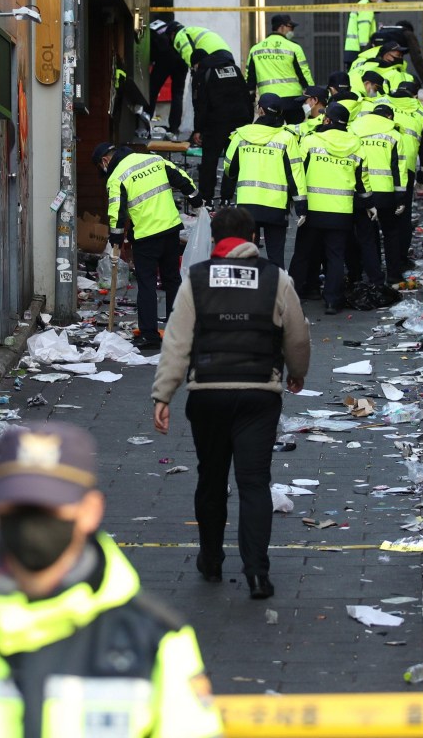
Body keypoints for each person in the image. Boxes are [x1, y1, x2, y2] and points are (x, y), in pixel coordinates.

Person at [0, 422, 223, 738]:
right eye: (22, 507)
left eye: (49, 508)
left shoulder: (156, 640)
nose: (33, 522)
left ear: (91, 510)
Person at [151, 207, 311, 600]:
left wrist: (163, 393)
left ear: (214, 240)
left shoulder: (196, 279)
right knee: (254, 482)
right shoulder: (277, 278)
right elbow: (298, 334)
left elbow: (176, 340)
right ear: (252, 237)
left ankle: (210, 560)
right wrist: (296, 371)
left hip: (207, 393)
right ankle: (257, 573)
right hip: (259, 394)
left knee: (211, 479)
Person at [93, 141, 203, 350]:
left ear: (105, 161)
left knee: (147, 284)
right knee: (172, 280)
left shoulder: (116, 177)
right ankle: (178, 330)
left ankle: (150, 335)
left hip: (146, 237)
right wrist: (196, 199)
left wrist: (116, 239)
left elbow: (116, 211)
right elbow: (181, 178)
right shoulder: (153, 159)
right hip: (170, 230)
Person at [288, 102, 368, 315]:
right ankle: (333, 301)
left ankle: (291, 297)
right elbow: (363, 180)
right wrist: (368, 203)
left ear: (327, 120)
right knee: (335, 257)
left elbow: (298, 173)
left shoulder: (311, 141)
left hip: (313, 209)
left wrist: (299, 203)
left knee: (303, 253)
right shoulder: (356, 144)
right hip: (341, 211)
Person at [223, 93, 307, 268]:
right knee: (276, 258)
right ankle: (276, 293)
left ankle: (250, 293)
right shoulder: (287, 138)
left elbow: (229, 169)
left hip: (247, 205)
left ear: (259, 110)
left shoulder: (241, 135)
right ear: (280, 113)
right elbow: (295, 173)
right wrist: (301, 206)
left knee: (246, 257)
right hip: (276, 207)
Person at [350, 103, 408, 296]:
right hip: (386, 192)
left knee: (367, 236)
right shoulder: (394, 135)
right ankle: (393, 276)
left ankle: (374, 278)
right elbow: (398, 169)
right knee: (391, 233)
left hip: (362, 192)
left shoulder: (355, 130)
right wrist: (401, 197)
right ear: (389, 116)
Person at [189, 48, 253, 207]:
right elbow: (246, 97)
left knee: (209, 162)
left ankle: (207, 198)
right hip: (238, 123)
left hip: (215, 124)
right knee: (232, 162)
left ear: (198, 63)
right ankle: (226, 197)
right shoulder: (234, 69)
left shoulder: (203, 73)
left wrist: (198, 129)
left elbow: (200, 104)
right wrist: (248, 122)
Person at [387, 79, 423, 268]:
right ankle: (399, 260)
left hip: (377, 169)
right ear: (415, 96)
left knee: (380, 219)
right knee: (403, 217)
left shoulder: (382, 105)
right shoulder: (422, 113)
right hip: (405, 171)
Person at [246, 13, 314, 99]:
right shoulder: (294, 47)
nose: (292, 31)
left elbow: (250, 79)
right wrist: (313, 93)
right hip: (292, 99)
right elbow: (304, 73)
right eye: (291, 28)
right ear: (282, 27)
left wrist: (250, 98)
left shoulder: (255, 49)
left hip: (267, 99)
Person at [149, 19, 189, 136]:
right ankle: (174, 128)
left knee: (153, 89)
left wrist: (153, 60)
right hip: (181, 58)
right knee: (178, 94)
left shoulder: (151, 29)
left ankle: (146, 122)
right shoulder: (173, 27)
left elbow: (151, 53)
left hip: (165, 58)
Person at [343, 0, 389, 68]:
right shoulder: (366, 7)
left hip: (353, 50)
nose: (383, 2)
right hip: (359, 52)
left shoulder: (362, 4)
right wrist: (366, 51)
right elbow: (363, 31)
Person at [167, 22, 233, 69]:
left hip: (211, 55)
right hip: (227, 53)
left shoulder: (179, 36)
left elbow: (188, 53)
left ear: (172, 34)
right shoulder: (192, 30)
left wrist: (194, 69)